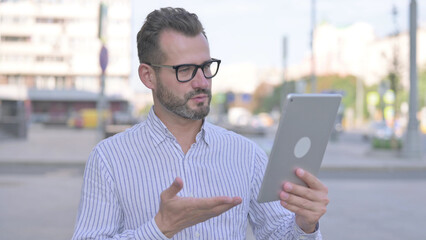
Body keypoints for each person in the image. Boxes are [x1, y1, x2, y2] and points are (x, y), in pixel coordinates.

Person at [72, 7, 329, 240]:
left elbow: (277, 233)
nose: (202, 82)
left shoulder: (246, 155)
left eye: (206, 66)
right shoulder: (109, 158)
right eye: (185, 70)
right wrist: (159, 228)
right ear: (148, 76)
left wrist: (304, 225)